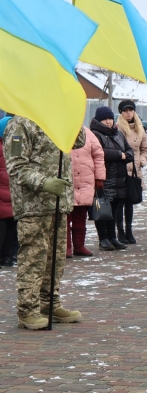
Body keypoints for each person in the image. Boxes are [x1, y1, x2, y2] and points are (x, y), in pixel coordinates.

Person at [3, 117, 85, 329]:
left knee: (55, 260)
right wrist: (44, 183)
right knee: (34, 258)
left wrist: (72, 114)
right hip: (33, 205)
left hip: (58, 202)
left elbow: (78, 141)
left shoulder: (55, 118)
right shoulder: (20, 124)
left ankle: (49, 304)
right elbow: (16, 166)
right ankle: (27, 309)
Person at [91, 106, 133, 251]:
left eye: (110, 119)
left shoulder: (118, 133)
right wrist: (118, 155)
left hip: (119, 178)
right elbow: (99, 152)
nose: (108, 122)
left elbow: (128, 150)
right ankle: (103, 238)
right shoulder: (95, 134)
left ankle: (113, 237)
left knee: (115, 209)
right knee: (102, 209)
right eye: (105, 119)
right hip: (104, 177)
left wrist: (127, 155)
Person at [68, 127, 105, 258]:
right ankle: (65, 247)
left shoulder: (87, 133)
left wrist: (99, 177)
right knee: (65, 217)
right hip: (67, 180)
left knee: (80, 216)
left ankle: (79, 246)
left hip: (85, 181)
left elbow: (98, 155)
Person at [116, 100, 147, 245]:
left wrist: (142, 161)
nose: (128, 113)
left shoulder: (140, 128)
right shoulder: (118, 129)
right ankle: (120, 231)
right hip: (121, 169)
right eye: (125, 111)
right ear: (121, 113)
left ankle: (129, 230)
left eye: (131, 110)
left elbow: (145, 149)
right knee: (119, 202)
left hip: (135, 170)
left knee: (130, 201)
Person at [0, 115, 19, 267]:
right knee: (2, 227)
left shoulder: (16, 146)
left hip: (13, 192)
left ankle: (9, 255)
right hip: (3, 192)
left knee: (12, 227)